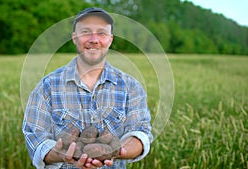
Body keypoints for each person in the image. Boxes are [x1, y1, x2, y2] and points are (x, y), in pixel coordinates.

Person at [22, 7, 153, 169]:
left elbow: (141, 133)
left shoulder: (131, 87)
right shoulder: (47, 87)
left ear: (110, 39)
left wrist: (118, 151)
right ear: (74, 38)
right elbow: (35, 139)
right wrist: (63, 154)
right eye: (86, 32)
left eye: (101, 33)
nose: (94, 39)